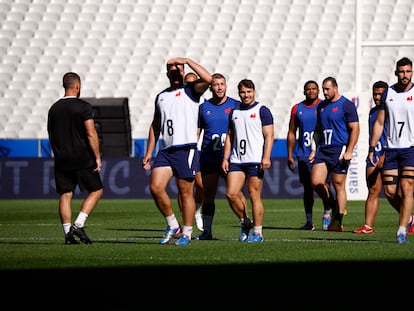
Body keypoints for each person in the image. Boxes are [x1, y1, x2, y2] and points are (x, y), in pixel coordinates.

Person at [142, 57, 212, 246]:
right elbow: (155, 125)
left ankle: (187, 233)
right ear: (167, 73)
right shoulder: (161, 96)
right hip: (165, 149)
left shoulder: (190, 91)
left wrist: (188, 61)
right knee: (155, 187)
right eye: (171, 69)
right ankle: (173, 224)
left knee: (185, 193)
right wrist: (149, 151)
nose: (175, 71)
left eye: (178, 69)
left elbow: (209, 79)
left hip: (185, 149)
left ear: (182, 72)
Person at [47, 72, 103, 245]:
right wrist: (97, 157)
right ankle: (78, 224)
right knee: (96, 190)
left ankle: (67, 234)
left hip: (62, 158)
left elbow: (51, 134)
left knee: (65, 194)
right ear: (77, 86)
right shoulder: (83, 107)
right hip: (82, 157)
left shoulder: (54, 108)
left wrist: (58, 152)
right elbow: (90, 132)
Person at [353, 81, 414, 234]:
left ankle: (408, 218)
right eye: (375, 94)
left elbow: (396, 134)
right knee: (373, 189)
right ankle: (368, 226)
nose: (377, 97)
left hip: (390, 153)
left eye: (380, 94)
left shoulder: (393, 109)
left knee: (395, 192)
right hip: (374, 154)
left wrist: (385, 154)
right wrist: (371, 150)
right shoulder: (373, 111)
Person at [195, 73, 247, 240]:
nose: (219, 87)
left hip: (232, 158)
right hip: (209, 157)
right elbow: (197, 133)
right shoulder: (203, 108)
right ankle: (207, 231)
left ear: (226, 86)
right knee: (208, 194)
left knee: (236, 193)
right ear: (210, 87)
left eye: (222, 84)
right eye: (216, 84)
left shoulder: (236, 105)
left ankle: (245, 225)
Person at [368, 57, 414, 244]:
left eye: (408, 71)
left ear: (411, 72)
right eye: (401, 72)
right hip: (392, 149)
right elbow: (380, 122)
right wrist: (372, 148)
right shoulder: (388, 94)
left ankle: (401, 230)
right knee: (390, 191)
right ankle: (409, 217)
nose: (405, 75)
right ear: (396, 73)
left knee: (407, 187)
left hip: (411, 148)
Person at [222, 79, 274, 243]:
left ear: (254, 92)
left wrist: (266, 157)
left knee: (254, 195)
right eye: (243, 92)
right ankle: (245, 221)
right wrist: (226, 157)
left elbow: (269, 136)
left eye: (249, 92)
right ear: (239, 94)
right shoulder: (234, 112)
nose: (246, 95)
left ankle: (258, 233)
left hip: (255, 160)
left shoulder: (262, 110)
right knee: (231, 194)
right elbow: (230, 136)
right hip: (237, 160)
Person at [309, 76, 360, 232]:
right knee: (316, 181)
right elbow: (318, 130)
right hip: (324, 149)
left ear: (335, 88)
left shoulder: (346, 105)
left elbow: (355, 129)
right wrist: (313, 148)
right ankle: (330, 204)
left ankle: (338, 220)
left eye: (327, 89)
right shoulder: (322, 106)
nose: (324, 92)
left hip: (339, 150)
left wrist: (349, 151)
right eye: (323, 89)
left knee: (339, 185)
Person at [287, 80, 332, 231]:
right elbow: (292, 132)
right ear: (304, 91)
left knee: (322, 185)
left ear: (318, 91)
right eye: (308, 89)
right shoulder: (297, 108)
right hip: (303, 154)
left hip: (322, 152)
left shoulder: (325, 106)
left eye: (314, 89)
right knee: (307, 188)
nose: (311, 91)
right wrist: (290, 154)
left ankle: (327, 213)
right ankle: (309, 221)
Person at [183, 71, 204, 231]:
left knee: (201, 186)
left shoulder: (201, 102)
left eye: (192, 82)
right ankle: (187, 218)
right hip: (188, 148)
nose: (189, 85)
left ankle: (196, 210)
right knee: (184, 186)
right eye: (186, 82)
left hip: (202, 148)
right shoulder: (179, 101)